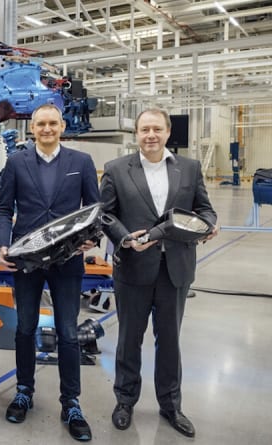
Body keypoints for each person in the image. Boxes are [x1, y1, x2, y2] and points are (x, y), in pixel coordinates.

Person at [100, 108, 218, 438]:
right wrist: (124, 238)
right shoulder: (116, 169)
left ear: (167, 133)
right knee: (128, 339)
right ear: (135, 135)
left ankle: (171, 405)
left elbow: (204, 207)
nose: (150, 135)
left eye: (157, 129)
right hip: (133, 269)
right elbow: (105, 215)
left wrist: (208, 223)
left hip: (175, 270)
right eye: (144, 130)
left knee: (169, 341)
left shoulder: (190, 169)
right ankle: (124, 401)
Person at [0, 103, 99, 442]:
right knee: (25, 327)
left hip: (68, 261)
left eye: (52, 123)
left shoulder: (81, 163)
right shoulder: (16, 162)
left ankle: (71, 402)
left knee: (68, 332)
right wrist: (2, 245)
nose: (46, 128)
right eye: (40, 123)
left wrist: (91, 239)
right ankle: (24, 390)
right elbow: (3, 207)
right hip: (27, 260)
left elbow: (93, 209)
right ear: (32, 128)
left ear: (62, 125)